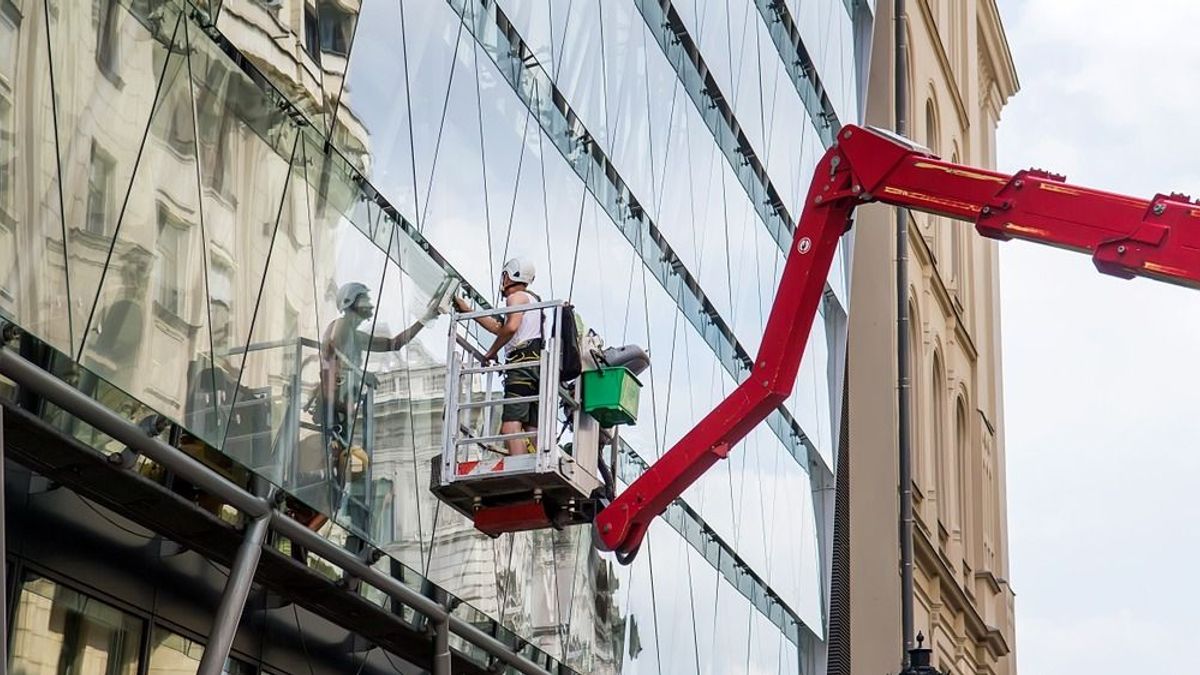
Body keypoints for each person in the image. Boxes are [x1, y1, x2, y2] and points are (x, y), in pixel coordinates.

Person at [304, 281, 444, 532]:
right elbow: (333, 350)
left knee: (336, 492)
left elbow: (393, 344)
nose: (370, 304)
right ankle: (302, 533)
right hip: (333, 411)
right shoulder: (340, 327)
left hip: (342, 415)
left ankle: (304, 532)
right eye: (365, 299)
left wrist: (424, 319)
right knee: (333, 489)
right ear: (351, 302)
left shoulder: (355, 335)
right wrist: (361, 373)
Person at [454, 258, 543, 456]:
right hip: (537, 367)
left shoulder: (516, 298)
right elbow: (500, 328)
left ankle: (522, 469)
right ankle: (537, 474)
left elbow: (510, 328)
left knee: (510, 427)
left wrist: (491, 352)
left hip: (522, 367)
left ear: (508, 276)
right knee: (530, 429)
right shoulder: (534, 301)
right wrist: (468, 311)